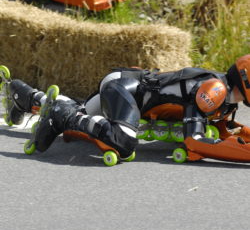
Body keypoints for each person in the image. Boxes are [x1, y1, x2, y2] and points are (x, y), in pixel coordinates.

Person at [2, 54, 250, 161]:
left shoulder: (227, 96)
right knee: (122, 140)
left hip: (131, 91)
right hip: (126, 87)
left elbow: (229, 132)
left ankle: (25, 96)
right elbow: (195, 142)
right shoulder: (214, 90)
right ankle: (60, 115)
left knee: (86, 114)